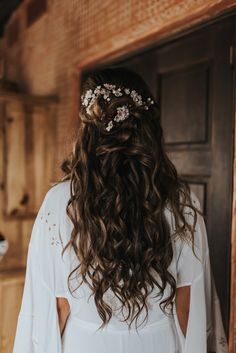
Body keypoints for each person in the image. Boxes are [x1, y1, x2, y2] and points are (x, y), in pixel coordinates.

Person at [12, 67, 228, 353]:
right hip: (158, 344)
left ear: (88, 131)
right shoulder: (178, 200)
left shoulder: (59, 201)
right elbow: (187, 304)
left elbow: (58, 307)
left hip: (87, 344)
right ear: (147, 128)